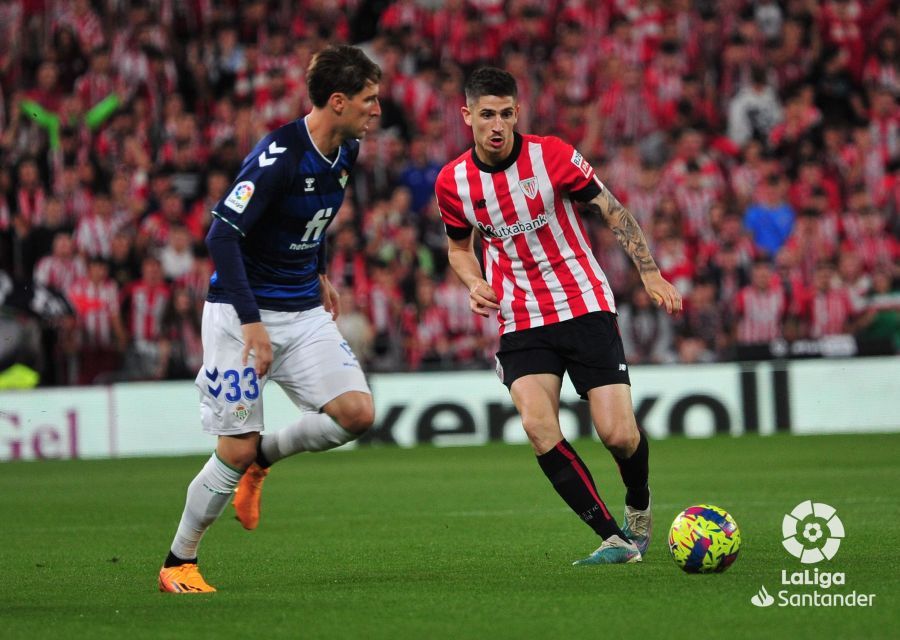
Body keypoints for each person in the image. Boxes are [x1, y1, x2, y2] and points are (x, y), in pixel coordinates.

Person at [434, 67, 682, 566]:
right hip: (520, 315)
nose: (497, 124)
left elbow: (614, 211)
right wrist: (473, 281)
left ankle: (639, 504)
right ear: (468, 117)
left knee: (618, 434)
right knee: (538, 427)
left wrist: (650, 273)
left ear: (517, 112)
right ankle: (616, 540)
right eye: (487, 115)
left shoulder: (552, 155)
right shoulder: (453, 181)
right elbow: (458, 249)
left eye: (506, 113)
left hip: (582, 301)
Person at [158, 45, 382, 594]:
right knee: (231, 448)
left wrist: (320, 269)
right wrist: (251, 322)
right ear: (337, 101)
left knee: (356, 414)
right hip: (241, 316)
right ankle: (178, 563)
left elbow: (316, 219)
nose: (378, 110)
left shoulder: (346, 150)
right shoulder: (280, 154)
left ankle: (265, 459)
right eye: (369, 100)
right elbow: (221, 235)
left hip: (303, 309)